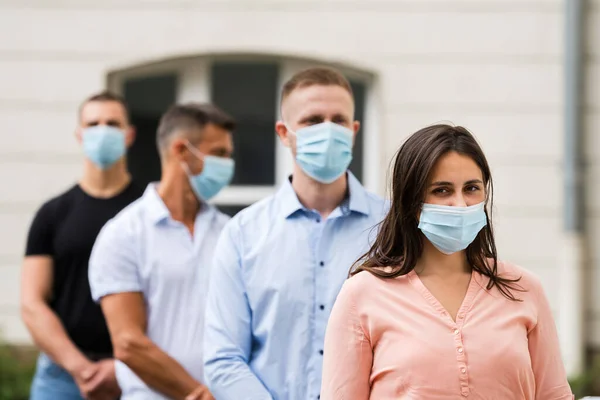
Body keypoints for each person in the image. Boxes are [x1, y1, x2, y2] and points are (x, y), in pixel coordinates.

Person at [320, 124, 574, 399]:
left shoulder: (524, 288)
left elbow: (554, 395)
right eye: (442, 190)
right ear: (412, 202)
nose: (461, 204)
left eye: (471, 188)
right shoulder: (362, 294)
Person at [203, 67, 388, 400]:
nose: (328, 131)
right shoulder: (243, 235)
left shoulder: (391, 227)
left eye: (339, 120)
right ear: (283, 133)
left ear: (354, 130)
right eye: (313, 120)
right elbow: (223, 358)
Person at [88, 103, 235, 400]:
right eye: (219, 154)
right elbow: (128, 343)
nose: (228, 165)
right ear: (181, 150)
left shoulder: (231, 232)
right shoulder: (124, 234)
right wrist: (198, 393)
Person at [21, 91, 144, 400]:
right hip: (62, 377)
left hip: (137, 372)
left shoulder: (149, 210)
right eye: (93, 123)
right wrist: (80, 368)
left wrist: (121, 366)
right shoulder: (52, 214)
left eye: (112, 123)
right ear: (79, 134)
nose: (102, 131)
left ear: (129, 135)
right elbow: (32, 302)